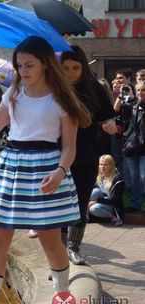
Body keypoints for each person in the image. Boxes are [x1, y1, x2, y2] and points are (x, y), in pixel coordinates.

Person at [0, 36, 91, 303]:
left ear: (45, 64)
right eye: (19, 66)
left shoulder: (61, 100)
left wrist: (60, 171)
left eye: (29, 65)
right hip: (12, 168)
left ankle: (63, 296)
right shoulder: (12, 94)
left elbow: (70, 147)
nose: (23, 71)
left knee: (51, 244)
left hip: (46, 170)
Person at [60, 45, 117, 265]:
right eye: (65, 68)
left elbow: (107, 116)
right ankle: (59, 250)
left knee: (81, 201)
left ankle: (73, 247)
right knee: (59, 203)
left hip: (85, 154)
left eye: (76, 67)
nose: (71, 72)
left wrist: (110, 124)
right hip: (57, 154)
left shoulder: (94, 88)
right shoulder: (54, 88)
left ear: (83, 67)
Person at [121, 81, 145, 214]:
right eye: (139, 90)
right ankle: (135, 204)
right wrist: (124, 96)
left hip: (143, 147)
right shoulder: (132, 105)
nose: (141, 93)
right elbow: (119, 111)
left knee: (143, 176)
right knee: (134, 177)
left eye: (144, 90)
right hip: (131, 145)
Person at [87, 154, 124, 226]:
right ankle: (86, 214)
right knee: (95, 191)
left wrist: (96, 201)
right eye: (101, 164)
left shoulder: (117, 179)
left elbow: (114, 199)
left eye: (105, 165)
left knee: (94, 208)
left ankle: (114, 218)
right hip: (100, 204)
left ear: (111, 166)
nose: (102, 167)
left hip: (112, 206)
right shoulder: (99, 178)